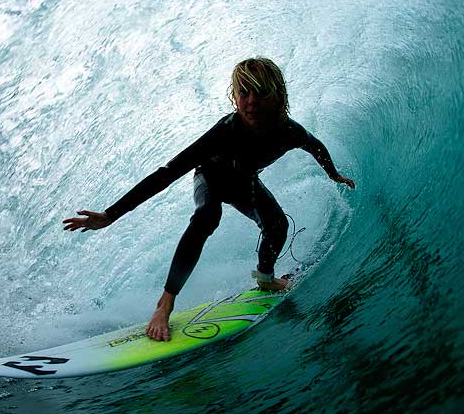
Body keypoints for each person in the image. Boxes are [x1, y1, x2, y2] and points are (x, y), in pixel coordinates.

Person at [63, 57, 355, 342]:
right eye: (244, 92)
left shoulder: (288, 131)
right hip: (211, 180)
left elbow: (314, 146)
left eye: (261, 93)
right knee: (207, 216)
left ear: (278, 96)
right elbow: (168, 172)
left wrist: (333, 175)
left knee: (277, 225)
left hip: (244, 184)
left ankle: (266, 280)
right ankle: (164, 303)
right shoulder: (225, 132)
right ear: (234, 96)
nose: (251, 101)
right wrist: (111, 214)